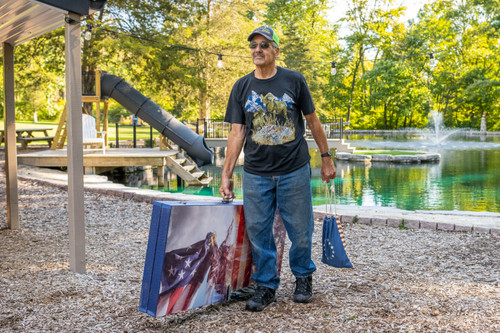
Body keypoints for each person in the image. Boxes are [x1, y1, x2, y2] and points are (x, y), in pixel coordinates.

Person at [219, 26, 336, 312]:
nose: (257, 49)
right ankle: (266, 285)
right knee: (259, 231)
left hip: (293, 169)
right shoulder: (241, 86)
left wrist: (326, 157)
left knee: (300, 228)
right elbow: (237, 133)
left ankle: (303, 277)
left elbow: (312, 120)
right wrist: (226, 173)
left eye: (264, 45)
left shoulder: (294, 80)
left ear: (275, 50)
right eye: (253, 45)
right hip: (256, 172)